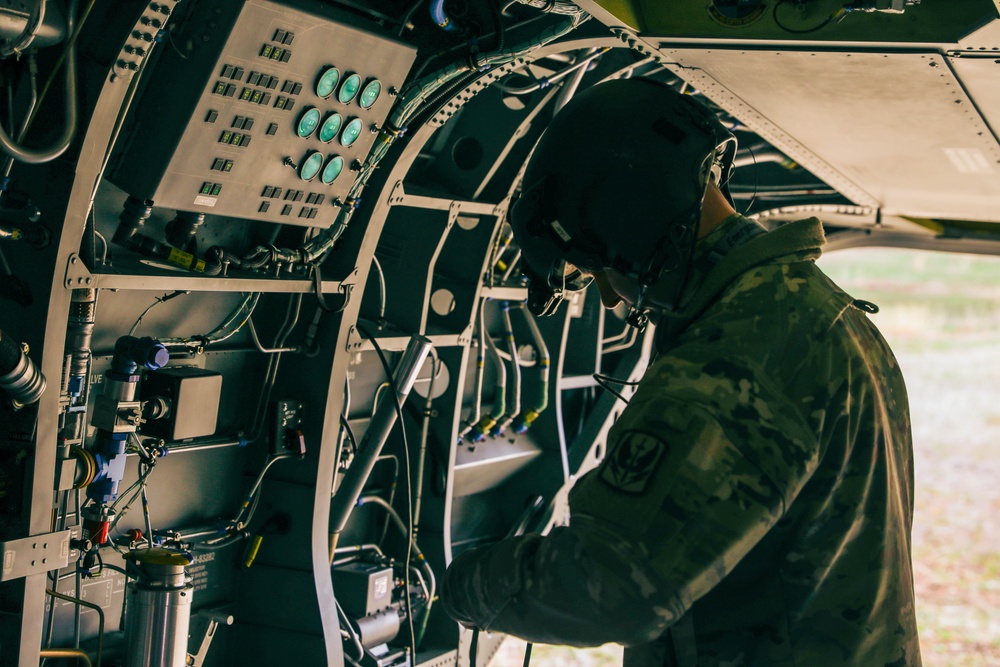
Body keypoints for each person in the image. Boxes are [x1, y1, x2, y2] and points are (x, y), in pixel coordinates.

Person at [439, 78, 921, 666]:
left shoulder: (733, 358)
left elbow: (612, 589)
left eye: (598, 266)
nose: (612, 298)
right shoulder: (814, 310)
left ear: (630, 216)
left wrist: (464, 586)